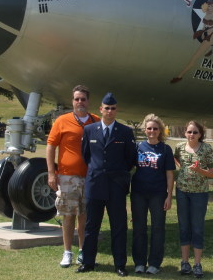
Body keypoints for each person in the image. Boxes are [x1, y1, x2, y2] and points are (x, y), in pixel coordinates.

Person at [77, 92, 136, 277]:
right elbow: (86, 155)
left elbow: (130, 159)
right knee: (91, 226)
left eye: (113, 108)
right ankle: (88, 262)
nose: (109, 111)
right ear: (100, 109)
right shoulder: (89, 130)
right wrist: (98, 171)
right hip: (95, 184)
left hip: (116, 185)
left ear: (116, 111)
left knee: (118, 226)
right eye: (106, 108)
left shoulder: (125, 132)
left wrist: (117, 173)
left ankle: (120, 264)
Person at [46, 85, 100, 268]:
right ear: (72, 101)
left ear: (88, 101)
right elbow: (51, 146)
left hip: (90, 177)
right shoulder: (62, 121)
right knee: (68, 215)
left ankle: (83, 251)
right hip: (67, 177)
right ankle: (67, 252)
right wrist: (51, 173)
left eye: (83, 99)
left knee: (85, 215)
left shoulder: (96, 121)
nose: (80, 102)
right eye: (76, 99)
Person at [131, 114, 175, 275]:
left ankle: (154, 263)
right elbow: (129, 167)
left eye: (155, 128)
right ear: (145, 130)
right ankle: (139, 263)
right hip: (138, 194)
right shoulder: (138, 147)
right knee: (139, 228)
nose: (152, 131)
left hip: (158, 194)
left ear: (160, 131)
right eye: (149, 128)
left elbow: (170, 174)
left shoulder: (165, 149)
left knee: (158, 229)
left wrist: (169, 196)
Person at [173, 121, 213, 278]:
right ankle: (184, 263)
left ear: (200, 134)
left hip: (199, 193)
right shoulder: (179, 147)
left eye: (195, 132)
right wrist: (182, 167)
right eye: (189, 132)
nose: (191, 135)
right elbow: (175, 158)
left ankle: (197, 264)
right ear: (185, 133)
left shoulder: (206, 149)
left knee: (197, 228)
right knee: (184, 227)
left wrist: (199, 170)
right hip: (182, 192)